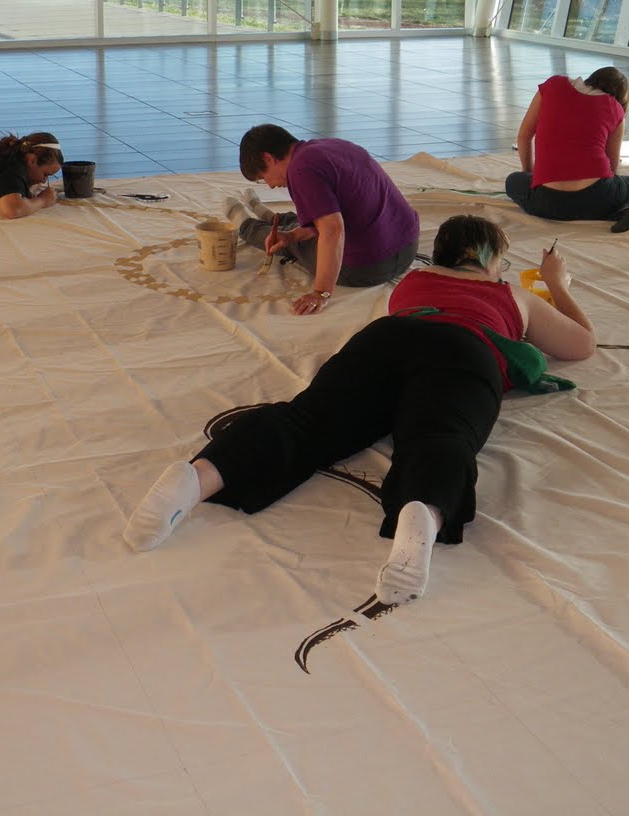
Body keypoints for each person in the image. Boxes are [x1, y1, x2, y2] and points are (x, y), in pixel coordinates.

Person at [122, 215, 595, 605]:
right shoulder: (512, 295)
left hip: (384, 339)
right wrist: (558, 285)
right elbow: (580, 345)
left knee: (307, 420)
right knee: (440, 435)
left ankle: (200, 475)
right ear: (493, 262)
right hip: (464, 351)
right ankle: (421, 513)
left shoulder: (411, 283)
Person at [225, 123, 420, 316]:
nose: (269, 185)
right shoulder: (332, 146)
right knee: (307, 220)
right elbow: (340, 213)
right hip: (407, 248)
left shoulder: (301, 169)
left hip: (368, 267)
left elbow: (332, 230)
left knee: (293, 245)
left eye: (263, 177)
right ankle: (272, 217)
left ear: (267, 158)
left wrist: (321, 292)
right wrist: (293, 235)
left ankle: (246, 225)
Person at [505, 66, 629, 232]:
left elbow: (524, 135)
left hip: (544, 203)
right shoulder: (615, 109)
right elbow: (612, 168)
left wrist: (529, 175)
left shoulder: (552, 86)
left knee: (512, 181)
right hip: (597, 201)